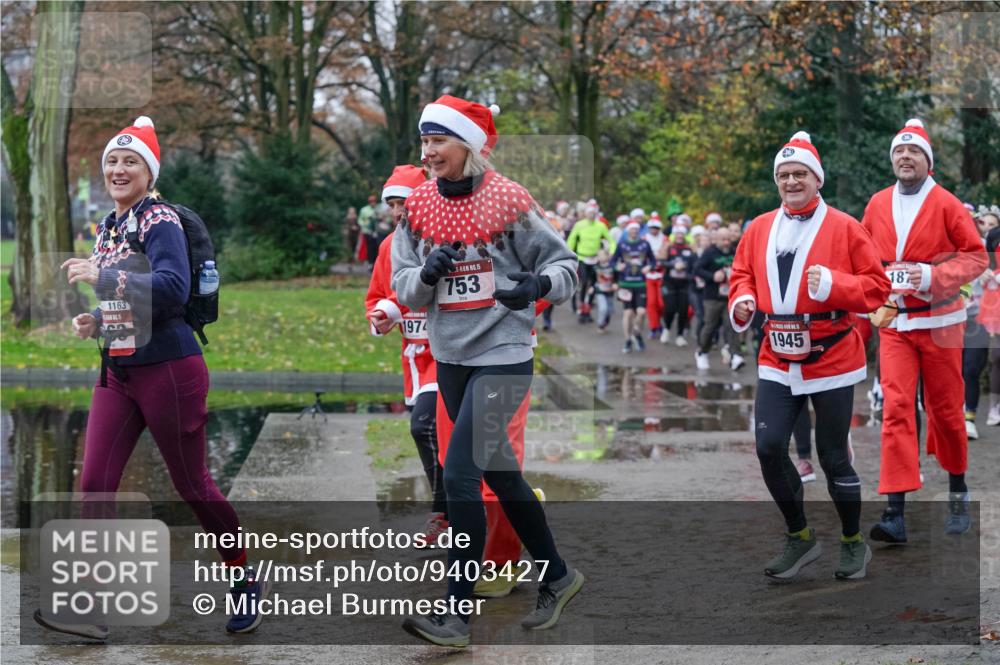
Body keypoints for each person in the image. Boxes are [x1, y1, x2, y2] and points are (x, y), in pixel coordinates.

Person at [51, 117, 266, 639]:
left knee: (192, 484)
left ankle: (243, 577)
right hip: (118, 369)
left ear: (149, 172)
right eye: (112, 161)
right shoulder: (108, 225)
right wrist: (96, 319)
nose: (119, 169)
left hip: (169, 369)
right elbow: (129, 296)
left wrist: (103, 276)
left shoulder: (160, 219)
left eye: (131, 161)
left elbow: (172, 287)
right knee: (95, 483)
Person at [392, 95, 583, 647]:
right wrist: (425, 275)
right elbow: (403, 285)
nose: (428, 153)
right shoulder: (419, 206)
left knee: (458, 476)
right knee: (501, 475)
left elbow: (566, 266)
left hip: (504, 355)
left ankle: (455, 616)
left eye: (438, 141)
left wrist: (538, 284)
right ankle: (558, 575)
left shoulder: (508, 199)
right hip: (451, 359)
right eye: (424, 142)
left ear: (468, 145)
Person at [729, 130, 890, 579]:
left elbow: (877, 289)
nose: (792, 181)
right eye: (784, 175)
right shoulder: (759, 228)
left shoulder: (846, 226)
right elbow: (742, 274)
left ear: (817, 179)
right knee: (768, 447)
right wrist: (742, 300)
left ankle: (853, 542)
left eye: (800, 173)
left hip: (832, 356)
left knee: (832, 455)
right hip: (776, 355)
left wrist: (835, 285)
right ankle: (800, 536)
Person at [861, 119, 987, 543]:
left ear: (927, 161)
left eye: (913, 151)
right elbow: (864, 255)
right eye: (899, 151)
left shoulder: (947, 203)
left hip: (941, 325)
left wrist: (932, 276)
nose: (905, 157)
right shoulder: (877, 203)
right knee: (896, 407)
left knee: (946, 411)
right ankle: (895, 511)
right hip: (895, 323)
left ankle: (957, 490)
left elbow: (975, 257)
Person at [365, 165, 449, 544]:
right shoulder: (388, 246)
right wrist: (381, 316)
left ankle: (444, 513)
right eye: (393, 205)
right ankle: (463, 507)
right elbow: (377, 297)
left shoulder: (443, 237)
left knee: (425, 427)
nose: (398, 212)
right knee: (433, 434)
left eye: (405, 203)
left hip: (448, 353)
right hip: (415, 358)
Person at [960, 206, 997, 439]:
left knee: (971, 368)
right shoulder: (945, 247)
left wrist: (989, 271)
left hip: (977, 316)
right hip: (948, 317)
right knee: (951, 370)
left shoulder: (987, 248)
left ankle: (969, 418)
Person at [695, 228, 743, 370]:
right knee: (710, 326)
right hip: (712, 297)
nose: (726, 242)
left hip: (730, 297)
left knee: (731, 326)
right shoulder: (710, 252)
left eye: (728, 239)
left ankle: (736, 356)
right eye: (723, 239)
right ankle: (702, 352)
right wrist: (712, 276)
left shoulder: (735, 251)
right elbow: (697, 269)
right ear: (716, 239)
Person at [610, 220, 656, 354]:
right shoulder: (622, 244)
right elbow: (612, 262)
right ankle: (627, 340)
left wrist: (649, 267)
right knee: (628, 313)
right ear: (628, 231)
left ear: (639, 231)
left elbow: (653, 261)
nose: (634, 231)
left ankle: (636, 333)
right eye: (632, 229)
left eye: (636, 229)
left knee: (641, 312)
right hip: (626, 284)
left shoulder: (645, 244)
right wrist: (617, 267)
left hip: (640, 283)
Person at [566, 200, 615, 324]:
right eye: (589, 213)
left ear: (596, 214)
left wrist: (611, 253)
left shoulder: (601, 226)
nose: (591, 215)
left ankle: (587, 310)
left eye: (593, 213)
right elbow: (571, 240)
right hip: (582, 259)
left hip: (595, 259)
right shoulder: (579, 225)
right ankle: (582, 310)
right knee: (585, 283)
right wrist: (569, 254)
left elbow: (611, 241)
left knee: (594, 285)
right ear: (585, 213)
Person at [659, 225, 696, 346]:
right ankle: (666, 329)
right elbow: (661, 262)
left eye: (682, 234)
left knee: (683, 310)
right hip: (669, 282)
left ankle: (680, 335)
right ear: (674, 235)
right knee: (670, 308)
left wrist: (686, 267)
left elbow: (695, 264)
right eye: (677, 234)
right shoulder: (668, 246)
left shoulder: (689, 248)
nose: (679, 236)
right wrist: (673, 265)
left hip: (684, 283)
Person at [643, 216, 667, 339]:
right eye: (652, 227)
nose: (654, 230)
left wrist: (655, 256)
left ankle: (659, 322)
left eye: (656, 227)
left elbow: (665, 255)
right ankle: (654, 327)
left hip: (662, 275)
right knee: (651, 303)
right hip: (649, 275)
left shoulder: (665, 239)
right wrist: (657, 255)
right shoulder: (644, 239)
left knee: (661, 303)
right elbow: (644, 256)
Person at [593, 247, 617, 331]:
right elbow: (592, 278)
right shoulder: (595, 267)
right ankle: (600, 324)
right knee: (603, 308)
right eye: (599, 255)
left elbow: (617, 276)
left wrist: (616, 283)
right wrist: (591, 286)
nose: (600, 257)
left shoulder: (613, 266)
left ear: (608, 256)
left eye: (602, 255)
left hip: (610, 291)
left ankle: (605, 322)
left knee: (609, 310)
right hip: (599, 290)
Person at [358, 194, 380, 269]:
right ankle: (370, 262)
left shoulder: (379, 208)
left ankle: (376, 262)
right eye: (371, 201)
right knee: (370, 247)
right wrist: (365, 224)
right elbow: (360, 220)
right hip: (367, 231)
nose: (373, 203)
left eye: (374, 201)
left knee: (377, 247)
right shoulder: (364, 210)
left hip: (378, 231)